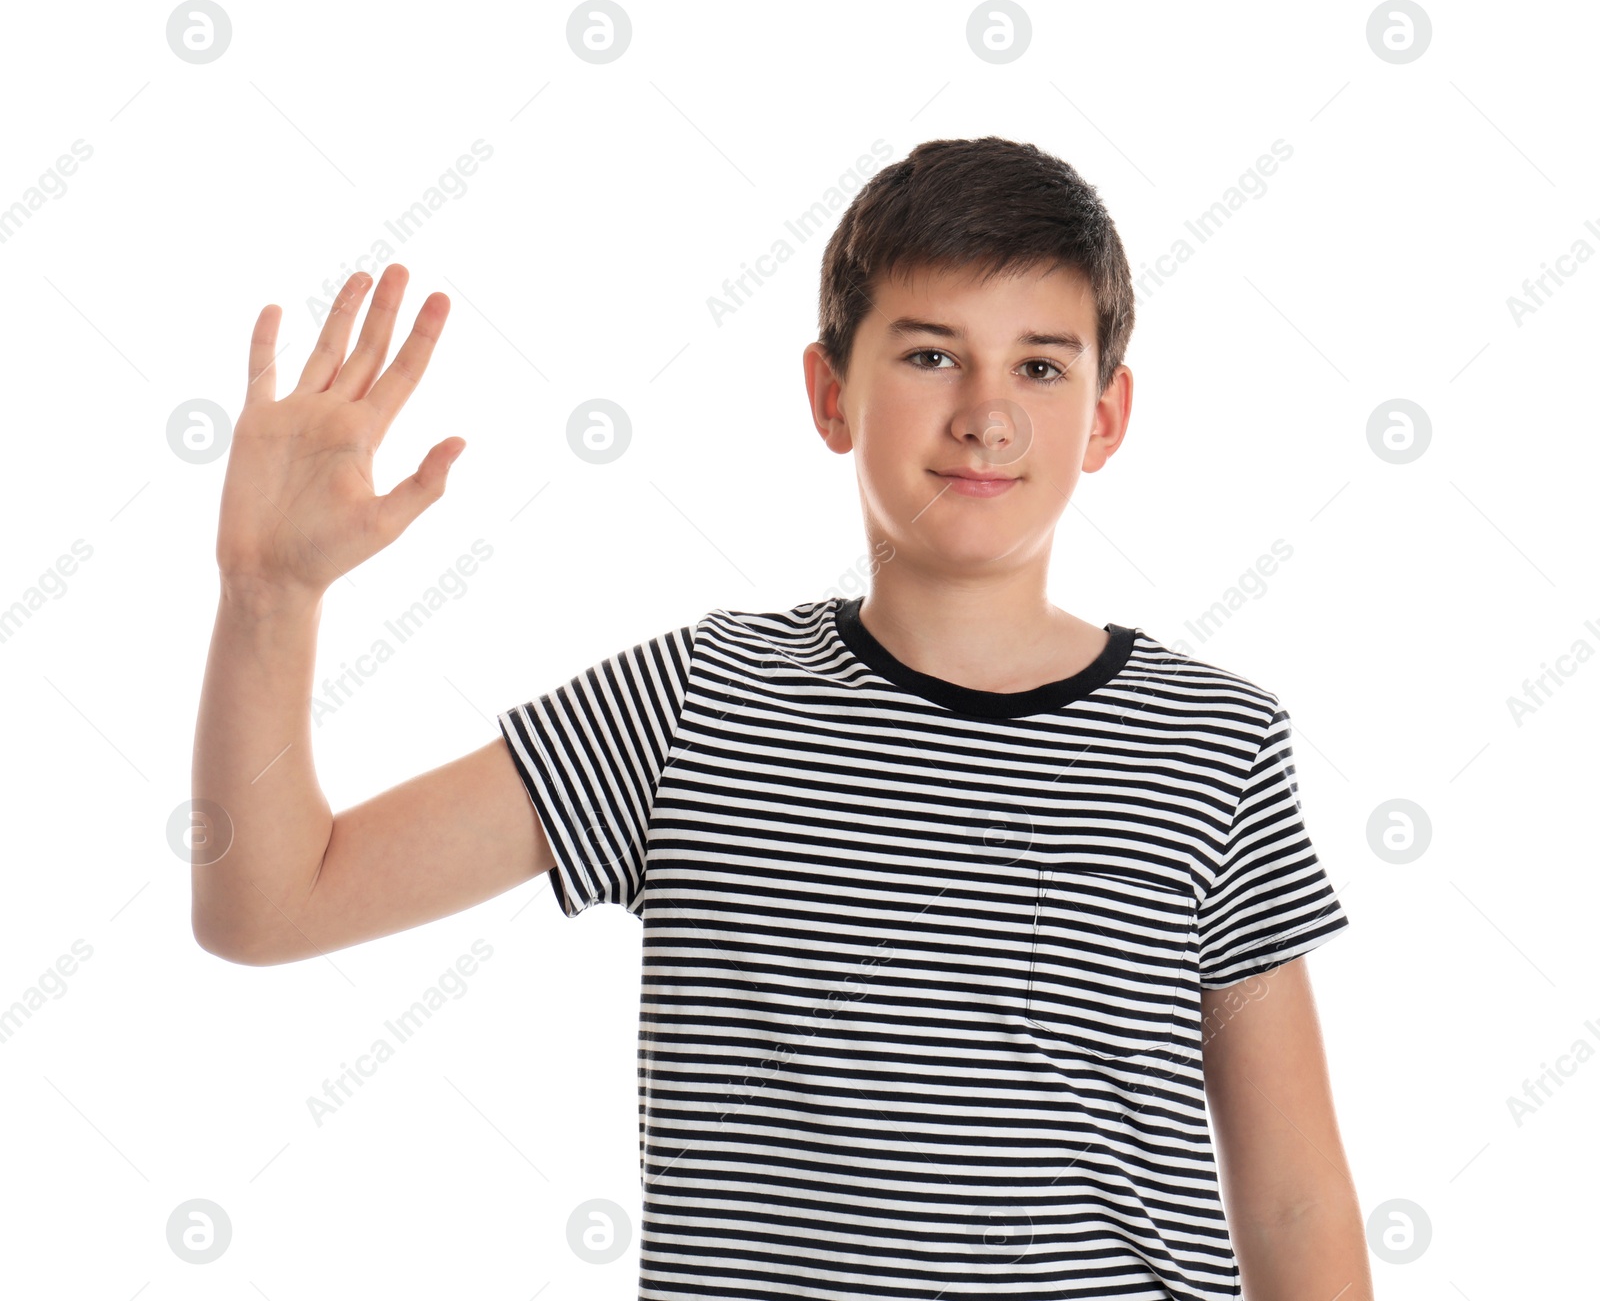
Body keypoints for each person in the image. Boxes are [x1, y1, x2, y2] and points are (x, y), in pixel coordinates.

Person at [192, 135, 1372, 1300]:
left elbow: (1293, 1197)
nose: (984, 414)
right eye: (929, 354)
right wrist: (269, 596)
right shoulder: (693, 703)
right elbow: (269, 903)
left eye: (1041, 367)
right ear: (828, 392)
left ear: (1107, 416)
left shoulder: (1211, 740)